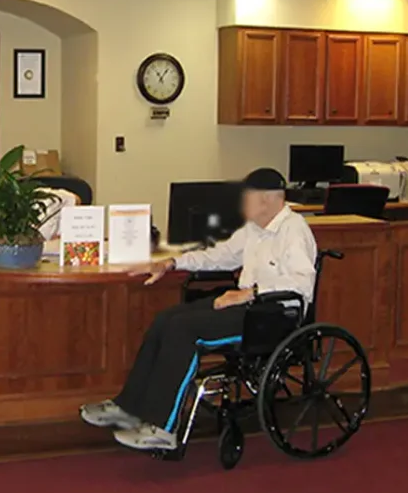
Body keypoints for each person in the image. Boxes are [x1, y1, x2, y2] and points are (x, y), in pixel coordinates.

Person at [79, 167, 317, 451]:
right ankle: (128, 408)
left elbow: (302, 284)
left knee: (184, 330)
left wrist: (249, 293)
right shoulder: (255, 229)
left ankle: (163, 429)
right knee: (166, 319)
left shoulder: (294, 230)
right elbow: (221, 256)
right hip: (248, 307)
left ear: (266, 200)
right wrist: (172, 263)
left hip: (273, 317)